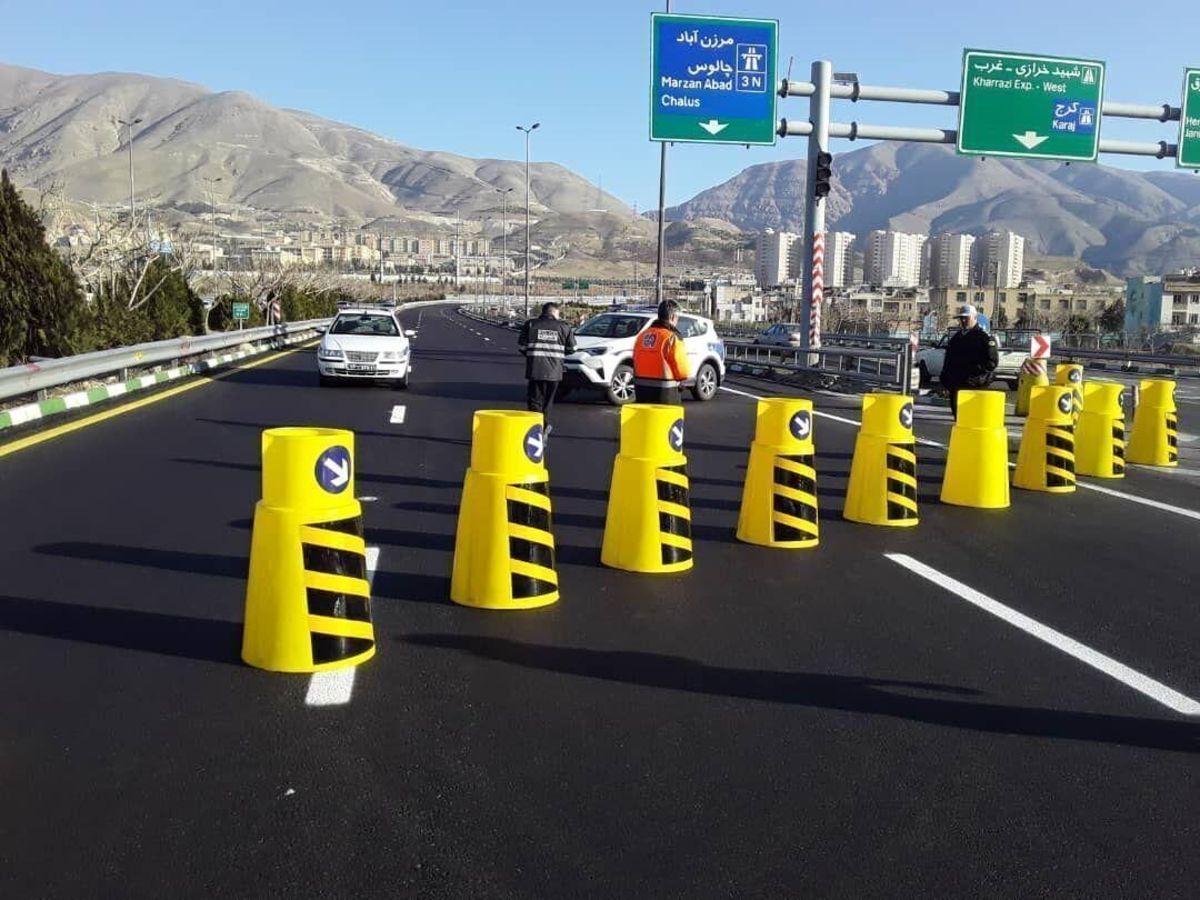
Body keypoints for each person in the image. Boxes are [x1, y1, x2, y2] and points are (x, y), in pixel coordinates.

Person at [517, 301, 575, 436]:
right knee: (548, 402)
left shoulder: (531, 324)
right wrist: (559, 356)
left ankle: (534, 430)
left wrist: (530, 354)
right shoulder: (564, 327)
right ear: (554, 312)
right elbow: (572, 348)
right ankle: (545, 425)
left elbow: (522, 346)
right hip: (555, 372)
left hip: (535, 370)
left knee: (535, 401)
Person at [941, 304, 999, 418]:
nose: (963, 321)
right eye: (961, 318)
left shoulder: (983, 338)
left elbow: (992, 362)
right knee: (958, 417)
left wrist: (975, 373)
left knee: (971, 418)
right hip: (956, 386)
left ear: (974, 318)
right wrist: (945, 380)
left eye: (966, 318)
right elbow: (948, 361)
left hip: (974, 386)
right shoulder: (956, 339)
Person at [632, 299, 691, 404]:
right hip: (666, 393)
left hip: (641, 392)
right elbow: (683, 372)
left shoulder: (642, 336)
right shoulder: (672, 337)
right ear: (673, 317)